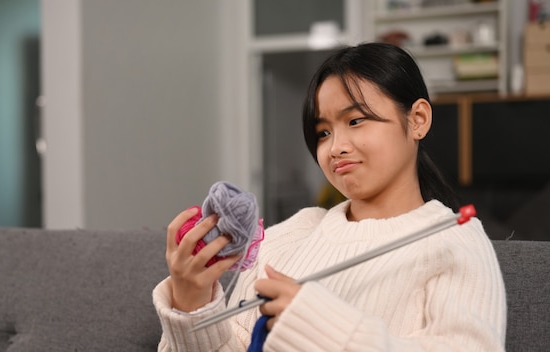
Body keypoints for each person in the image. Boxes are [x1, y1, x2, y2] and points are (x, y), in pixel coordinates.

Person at [152, 42, 507, 351]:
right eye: (322, 132)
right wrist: (191, 302)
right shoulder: (291, 234)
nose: (335, 148)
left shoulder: (454, 240)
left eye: (355, 121)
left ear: (417, 119)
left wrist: (315, 323)